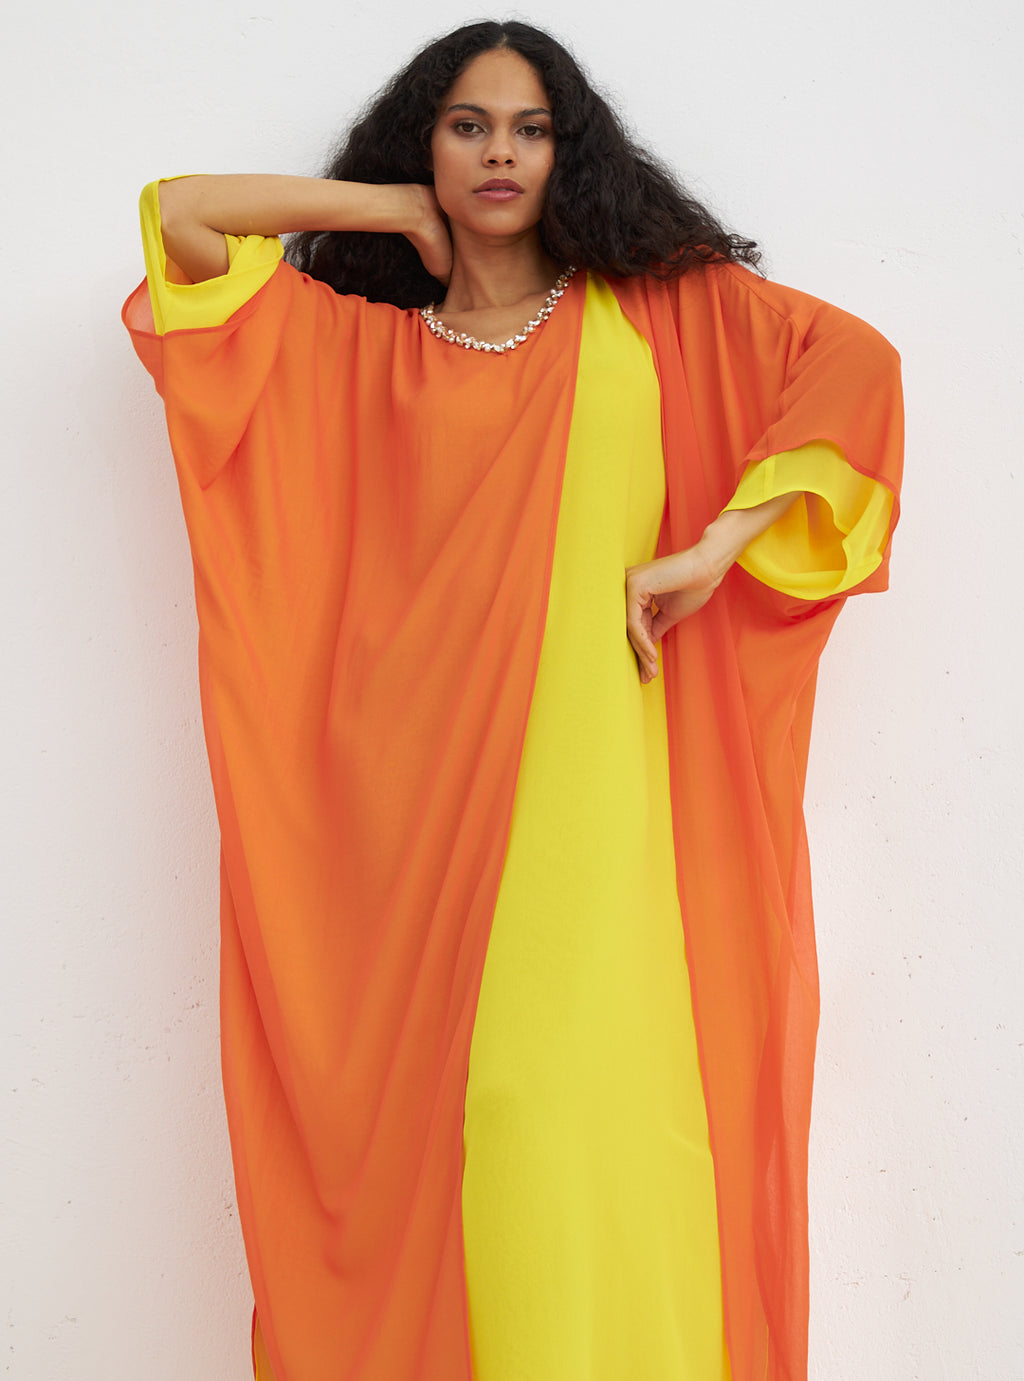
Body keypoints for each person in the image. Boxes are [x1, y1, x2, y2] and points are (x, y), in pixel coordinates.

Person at [123, 19, 903, 1381]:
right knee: (434, 1160)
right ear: (424, 143)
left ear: (570, 151)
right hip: (403, 818)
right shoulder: (361, 352)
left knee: (558, 1123)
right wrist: (386, 211)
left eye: (532, 129)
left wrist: (715, 547)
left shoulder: (658, 317)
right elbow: (181, 217)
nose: (500, 154)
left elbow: (853, 365)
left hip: (586, 807)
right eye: (468, 126)